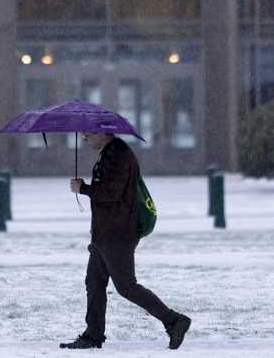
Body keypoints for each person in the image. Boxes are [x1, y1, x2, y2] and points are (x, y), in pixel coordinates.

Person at [59, 131, 191, 350]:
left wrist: (83, 189)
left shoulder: (119, 155)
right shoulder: (109, 153)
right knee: (94, 282)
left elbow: (111, 193)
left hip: (118, 234)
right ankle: (93, 335)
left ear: (103, 133)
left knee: (126, 286)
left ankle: (174, 321)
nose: (84, 138)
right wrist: (86, 189)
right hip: (105, 233)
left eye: (88, 134)